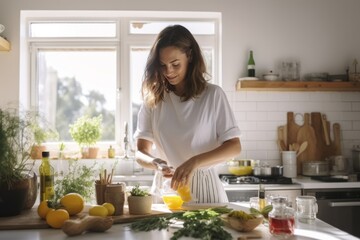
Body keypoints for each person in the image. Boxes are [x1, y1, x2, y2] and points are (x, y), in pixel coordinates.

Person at [134, 25, 241, 203]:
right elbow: (140, 152)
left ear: (190, 56)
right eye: (162, 65)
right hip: (167, 192)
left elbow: (234, 146)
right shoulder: (153, 100)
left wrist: (195, 161)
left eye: (175, 64)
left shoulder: (213, 95)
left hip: (205, 191)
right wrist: (156, 163)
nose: (168, 71)